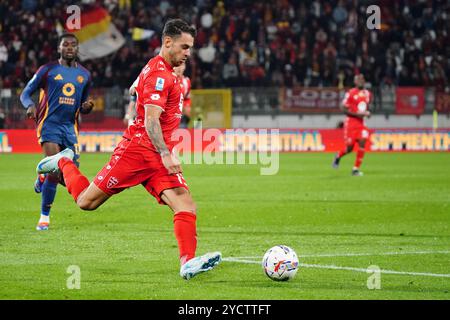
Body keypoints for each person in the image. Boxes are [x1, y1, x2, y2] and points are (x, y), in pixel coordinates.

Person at [36, 19, 221, 280]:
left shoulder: (165, 71)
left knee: (185, 205)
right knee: (86, 203)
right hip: (137, 152)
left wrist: (137, 89)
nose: (188, 53)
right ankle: (64, 162)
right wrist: (167, 153)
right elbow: (151, 120)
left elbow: (138, 85)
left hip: (156, 156)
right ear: (167, 42)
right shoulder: (159, 75)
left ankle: (187, 263)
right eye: (185, 47)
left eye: (190, 48)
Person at [20, 33, 93, 230]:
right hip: (49, 124)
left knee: (70, 171)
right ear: (59, 48)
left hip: (70, 128)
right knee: (56, 168)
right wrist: (29, 105)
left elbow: (83, 103)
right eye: (65, 44)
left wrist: (87, 107)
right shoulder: (48, 70)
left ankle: (42, 176)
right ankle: (44, 216)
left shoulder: (85, 75)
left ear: (77, 49)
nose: (69, 47)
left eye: (73, 45)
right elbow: (25, 93)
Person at [332, 74, 371, 176]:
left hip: (361, 124)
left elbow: (366, 107)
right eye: (358, 79)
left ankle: (355, 169)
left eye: (362, 79)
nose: (361, 81)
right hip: (351, 123)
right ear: (355, 82)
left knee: (363, 142)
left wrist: (367, 113)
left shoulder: (367, 94)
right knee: (349, 148)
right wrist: (358, 114)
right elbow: (343, 108)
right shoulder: (350, 93)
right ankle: (338, 156)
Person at [174, 62, 192, 128]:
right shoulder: (167, 79)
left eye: (181, 65)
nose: (179, 67)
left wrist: (187, 107)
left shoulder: (186, 81)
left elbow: (187, 98)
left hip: (180, 117)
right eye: (177, 65)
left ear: (184, 67)